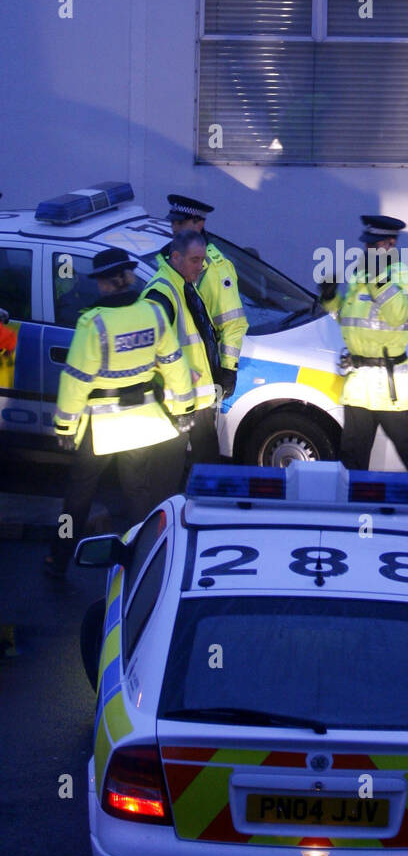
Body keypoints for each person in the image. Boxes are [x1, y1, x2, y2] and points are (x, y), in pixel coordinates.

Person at [46, 248, 195, 578]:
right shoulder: (153, 314)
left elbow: (76, 381)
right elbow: (174, 364)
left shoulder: (93, 323)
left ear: (103, 284)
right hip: (142, 422)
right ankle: (146, 556)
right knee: (137, 494)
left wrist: (65, 428)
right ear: (127, 279)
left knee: (77, 500)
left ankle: (59, 559)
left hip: (99, 427)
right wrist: (183, 410)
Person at [318, 215, 408, 472]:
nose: (368, 250)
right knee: (352, 451)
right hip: (359, 381)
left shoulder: (404, 276)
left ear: (390, 244)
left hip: (388, 382)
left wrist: (378, 280)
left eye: (374, 245)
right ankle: (352, 505)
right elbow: (349, 321)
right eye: (368, 245)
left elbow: (398, 315)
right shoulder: (363, 275)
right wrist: (330, 298)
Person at [143, 229, 222, 469]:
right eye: (194, 260)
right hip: (176, 403)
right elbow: (150, 348)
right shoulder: (161, 293)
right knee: (166, 474)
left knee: (207, 471)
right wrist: (183, 374)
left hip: (197, 400)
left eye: (202, 260)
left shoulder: (184, 284)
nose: (200, 266)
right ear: (175, 257)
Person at [158, 194, 248, 395]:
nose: (174, 228)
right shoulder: (168, 255)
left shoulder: (212, 268)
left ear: (199, 223)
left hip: (202, 372)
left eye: (181, 222)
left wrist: (227, 370)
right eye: (173, 222)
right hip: (175, 369)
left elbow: (232, 323)